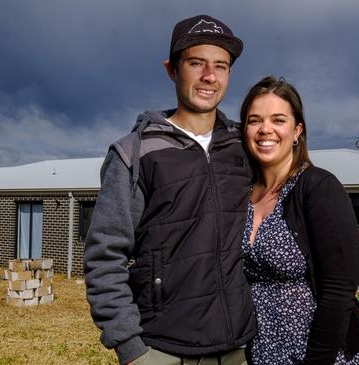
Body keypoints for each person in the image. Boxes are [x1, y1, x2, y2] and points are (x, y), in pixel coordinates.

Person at [84, 15, 256, 365]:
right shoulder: (135, 152)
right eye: (197, 63)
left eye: (220, 66)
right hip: (162, 349)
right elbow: (104, 255)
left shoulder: (245, 146)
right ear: (172, 70)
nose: (210, 76)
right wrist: (130, 349)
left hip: (238, 347)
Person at [239, 76, 359, 365]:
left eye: (278, 120)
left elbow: (339, 291)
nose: (265, 130)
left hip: (320, 354)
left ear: (297, 130)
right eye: (254, 120)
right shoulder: (243, 195)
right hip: (263, 351)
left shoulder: (319, 188)